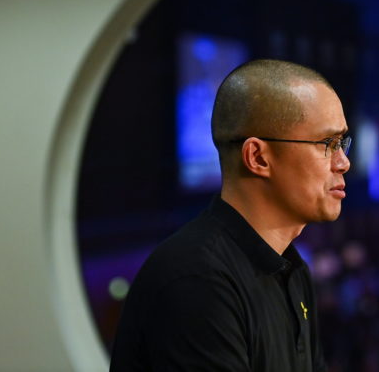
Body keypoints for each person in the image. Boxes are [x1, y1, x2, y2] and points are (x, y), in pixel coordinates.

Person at [110, 59, 351, 371]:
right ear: (258, 157)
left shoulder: (293, 269)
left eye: (342, 142)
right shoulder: (198, 280)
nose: (343, 162)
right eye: (328, 144)